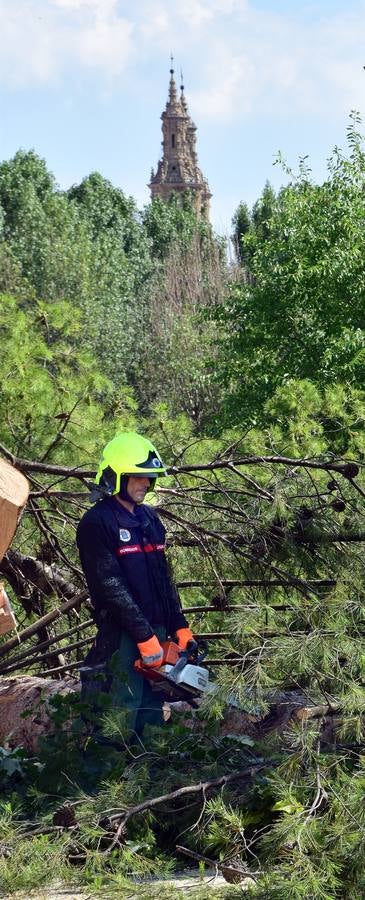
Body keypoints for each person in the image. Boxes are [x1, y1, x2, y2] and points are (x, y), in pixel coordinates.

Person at [76, 431, 193, 738]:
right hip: (122, 633)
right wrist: (142, 636)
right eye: (138, 477)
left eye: (149, 478)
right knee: (121, 707)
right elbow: (109, 586)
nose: (146, 483)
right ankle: (107, 774)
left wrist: (178, 625)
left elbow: (164, 578)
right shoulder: (97, 522)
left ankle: (148, 773)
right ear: (117, 476)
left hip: (156, 627)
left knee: (152, 707)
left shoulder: (150, 519)